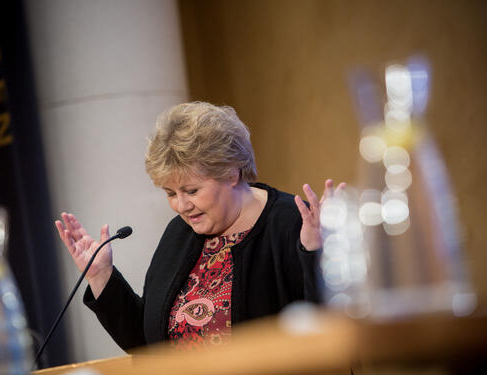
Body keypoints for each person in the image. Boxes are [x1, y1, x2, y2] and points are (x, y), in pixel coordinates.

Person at [55, 101, 344, 350]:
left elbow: (331, 330)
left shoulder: (291, 223)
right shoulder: (179, 234)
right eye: (170, 193)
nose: (181, 206)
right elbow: (147, 344)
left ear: (231, 173)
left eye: (192, 191)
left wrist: (315, 253)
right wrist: (102, 276)